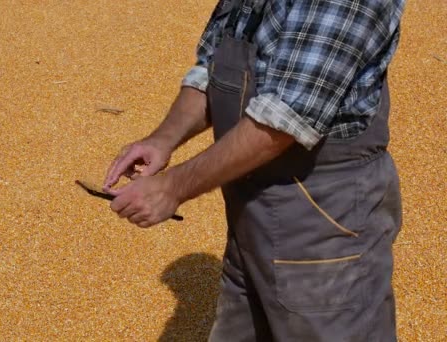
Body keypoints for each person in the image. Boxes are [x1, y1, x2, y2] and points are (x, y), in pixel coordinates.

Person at [103, 0, 404, 340]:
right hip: (251, 217)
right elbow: (211, 70)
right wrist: (162, 140)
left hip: (325, 221)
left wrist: (172, 188)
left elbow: (287, 117)